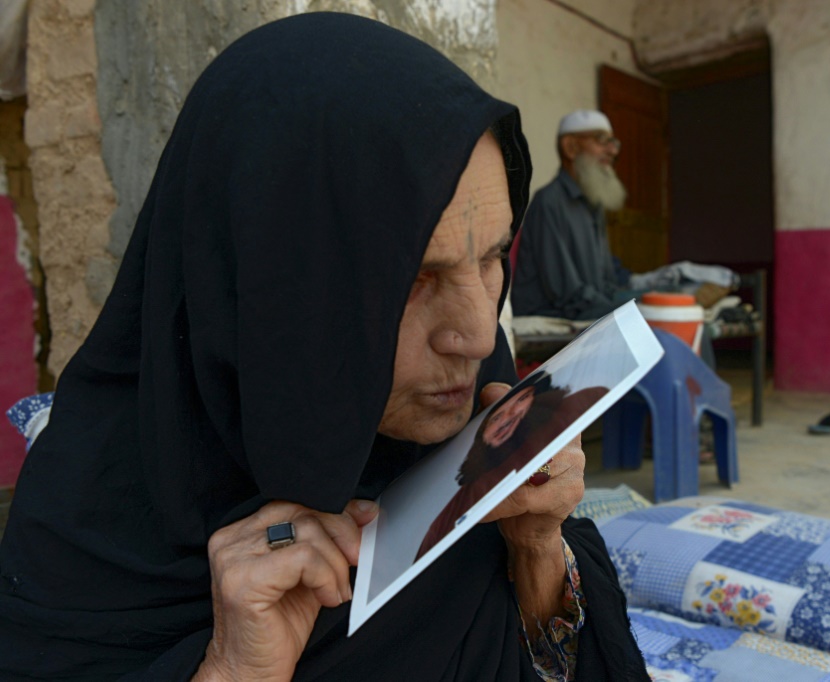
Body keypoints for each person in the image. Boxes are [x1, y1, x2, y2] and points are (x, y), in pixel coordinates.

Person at [0, 14, 649, 682]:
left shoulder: (468, 464)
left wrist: (537, 549)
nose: (479, 334)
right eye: (411, 278)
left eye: (488, 258)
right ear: (260, 285)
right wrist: (231, 671)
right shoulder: (84, 550)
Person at [510, 109, 739, 324]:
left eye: (613, 142)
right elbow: (567, 294)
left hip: (592, 303)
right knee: (666, 316)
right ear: (571, 147)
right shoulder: (549, 202)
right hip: (558, 312)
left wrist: (655, 292)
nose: (613, 151)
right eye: (601, 140)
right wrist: (629, 308)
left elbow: (607, 280)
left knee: (682, 305)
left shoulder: (593, 204)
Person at [417, 371, 608, 559]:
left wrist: (537, 541)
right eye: (496, 417)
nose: (510, 413)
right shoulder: (456, 498)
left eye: (523, 399)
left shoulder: (536, 457)